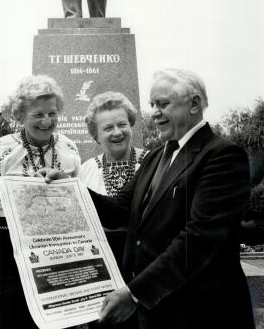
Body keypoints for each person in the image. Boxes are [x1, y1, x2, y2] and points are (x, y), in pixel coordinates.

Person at [46, 69, 255, 329]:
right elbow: (118, 209)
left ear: (194, 104)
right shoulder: (157, 157)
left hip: (204, 313)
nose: (154, 112)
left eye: (163, 104)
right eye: (152, 104)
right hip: (159, 313)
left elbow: (198, 240)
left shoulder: (222, 156)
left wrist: (135, 293)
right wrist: (71, 189)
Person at [0, 75, 81, 329]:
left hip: (55, 251)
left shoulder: (69, 148)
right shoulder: (1, 150)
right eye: (38, 114)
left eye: (52, 113)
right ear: (21, 115)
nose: (47, 121)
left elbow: (78, 203)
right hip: (9, 252)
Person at [81, 92, 147, 329]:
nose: (117, 132)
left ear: (131, 125)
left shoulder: (152, 163)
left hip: (142, 269)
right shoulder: (86, 170)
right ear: (96, 136)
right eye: (108, 128)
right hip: (99, 270)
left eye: (122, 124)